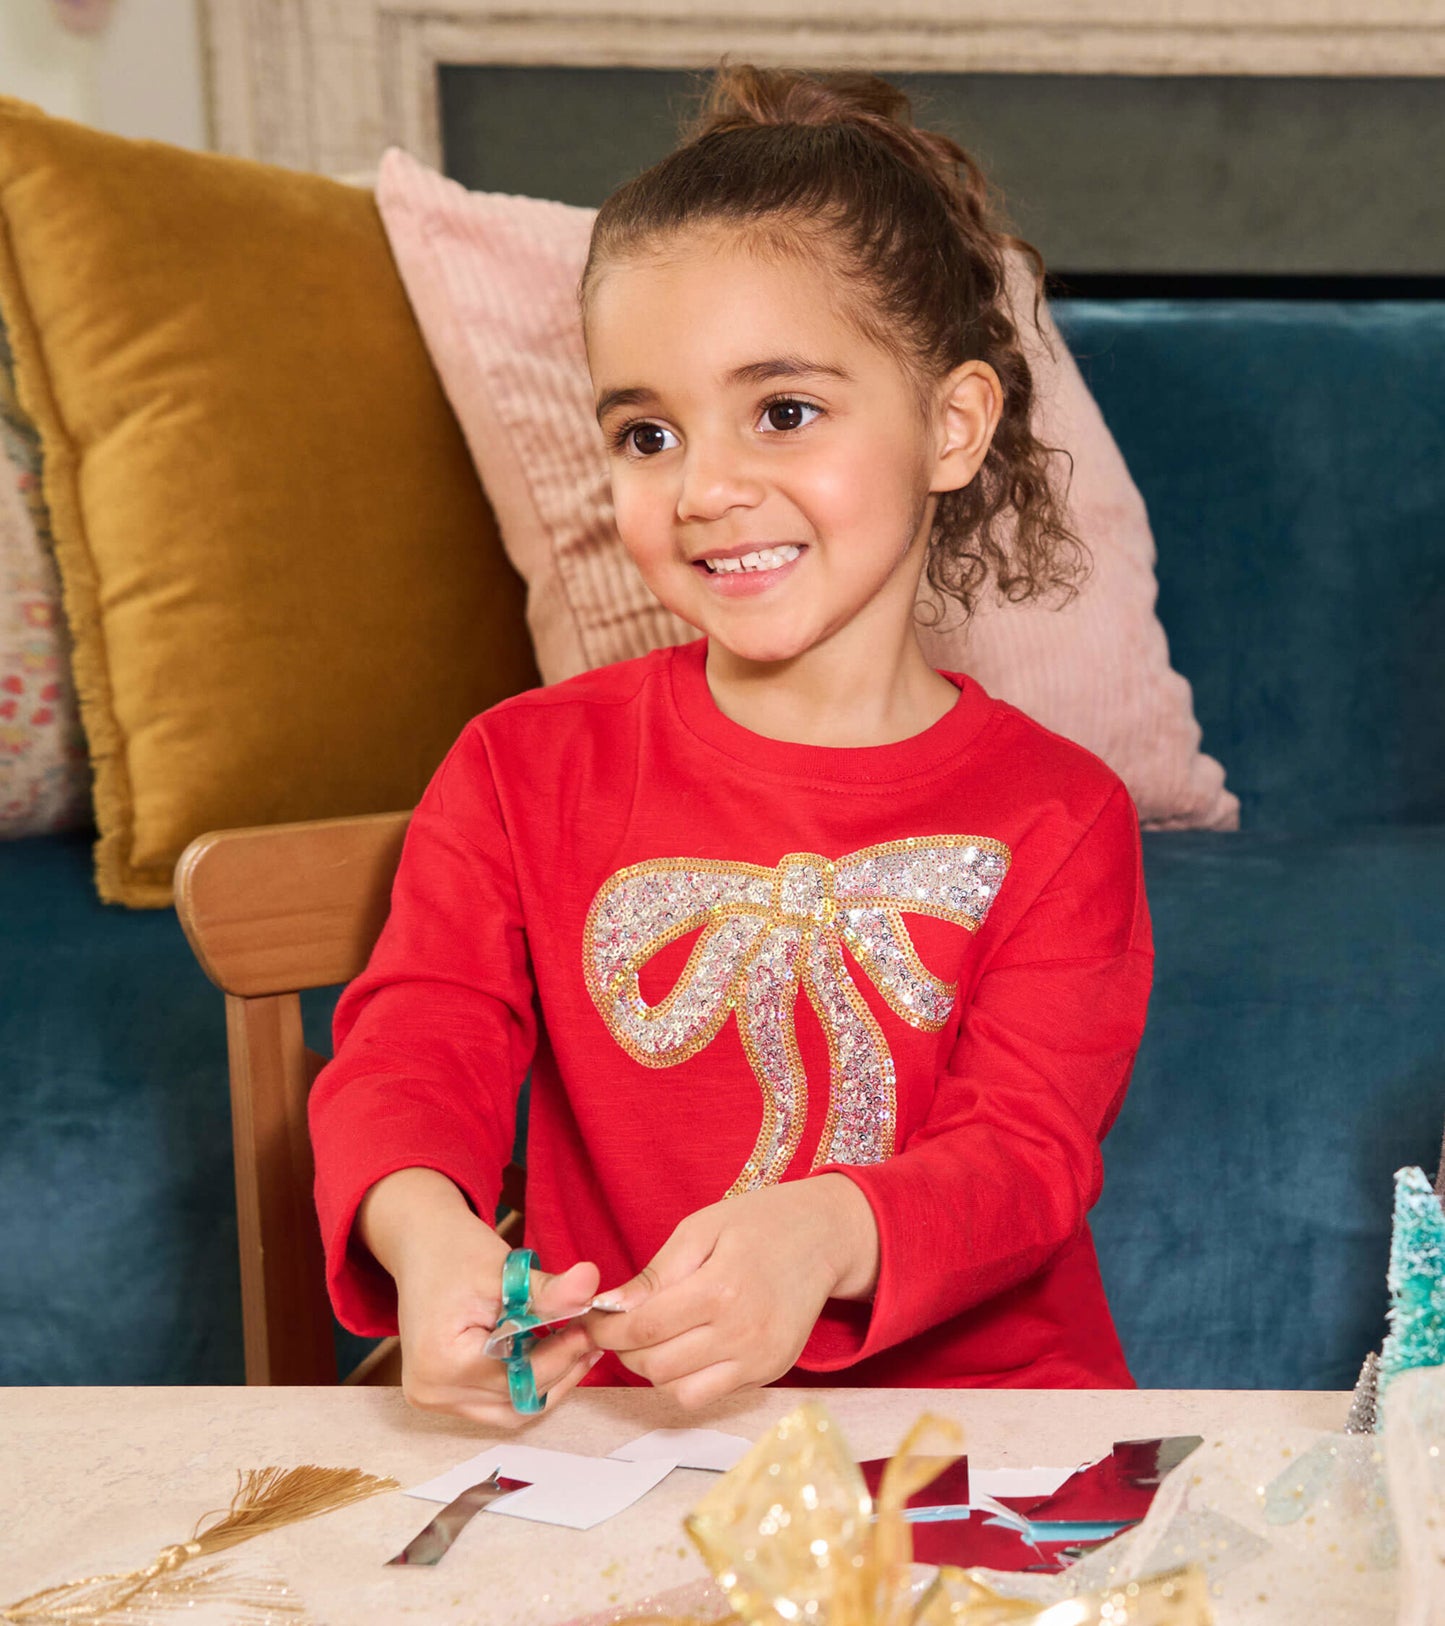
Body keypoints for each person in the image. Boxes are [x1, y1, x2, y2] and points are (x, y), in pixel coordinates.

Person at [308, 62, 1153, 1428]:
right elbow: (417, 1043)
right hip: (633, 1431)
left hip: (985, 1437)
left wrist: (823, 1231)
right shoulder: (519, 769)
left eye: (783, 412)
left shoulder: (1064, 815)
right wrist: (427, 1233)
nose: (703, 488)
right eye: (647, 433)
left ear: (951, 425)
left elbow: (1024, 1152)